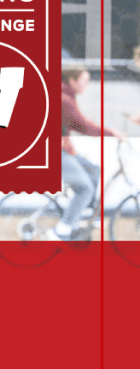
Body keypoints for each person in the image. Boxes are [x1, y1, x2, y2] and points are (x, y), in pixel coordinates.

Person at [52, 65, 124, 240]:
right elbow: (84, 125)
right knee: (84, 188)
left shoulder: (66, 96)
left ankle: (83, 212)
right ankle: (62, 229)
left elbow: (76, 124)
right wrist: (110, 132)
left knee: (93, 170)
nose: (87, 85)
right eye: (84, 80)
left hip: (61, 149)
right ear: (72, 81)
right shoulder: (64, 99)